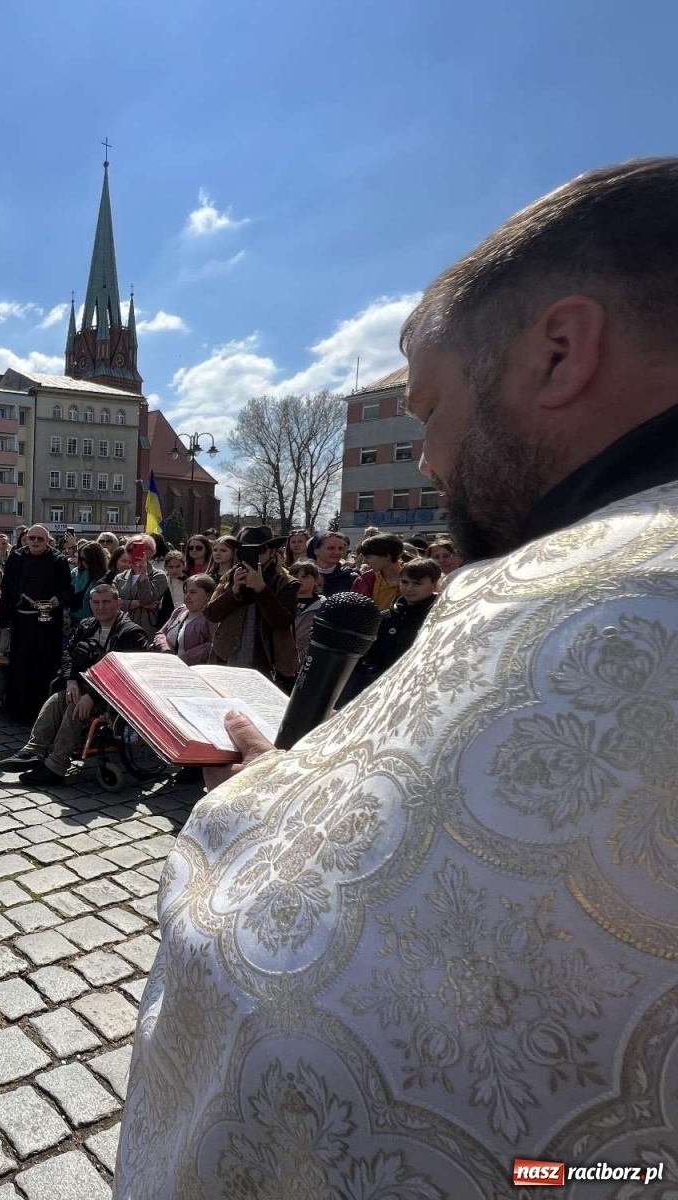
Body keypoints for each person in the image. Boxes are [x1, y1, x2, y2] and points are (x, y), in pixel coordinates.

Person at [116, 158, 678, 1197]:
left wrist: (247, 817)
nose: (424, 461)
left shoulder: (572, 599)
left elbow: (269, 991)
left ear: (558, 352)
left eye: (425, 412)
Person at [0, 583, 147, 786]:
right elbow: (69, 654)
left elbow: (121, 673)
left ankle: (56, 767)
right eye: (96, 602)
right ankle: (34, 751)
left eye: (106, 602)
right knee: (56, 700)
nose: (100, 607)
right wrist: (71, 680)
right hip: (84, 685)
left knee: (74, 709)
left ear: (118, 603)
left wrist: (92, 696)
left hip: (114, 695)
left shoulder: (132, 634)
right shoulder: (87, 625)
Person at [339, 555, 443, 706]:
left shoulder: (439, 617)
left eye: (418, 583)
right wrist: (377, 676)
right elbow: (372, 655)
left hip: (421, 692)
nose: (409, 588)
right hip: (383, 688)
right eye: (404, 582)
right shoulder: (386, 617)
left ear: (435, 585)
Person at [205, 525, 300, 688]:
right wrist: (234, 590)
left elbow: (282, 622)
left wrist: (261, 589)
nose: (255, 555)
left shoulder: (286, 582)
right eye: (246, 550)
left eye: (261, 550)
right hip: (228, 663)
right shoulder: (230, 577)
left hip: (267, 666)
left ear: (272, 551)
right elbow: (211, 614)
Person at [0, 524, 76, 724]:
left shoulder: (57, 560)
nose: (34, 542)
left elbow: (67, 589)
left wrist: (57, 600)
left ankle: (44, 713)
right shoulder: (17, 558)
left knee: (44, 665)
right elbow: (7, 587)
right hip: (22, 621)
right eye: (31, 538)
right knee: (21, 665)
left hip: (47, 625)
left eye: (39, 539)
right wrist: (4, 615)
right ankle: (18, 711)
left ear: (48, 540)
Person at [152, 572, 216, 664]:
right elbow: (161, 634)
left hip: (195, 670)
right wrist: (167, 651)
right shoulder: (180, 610)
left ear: (208, 596)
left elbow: (212, 645)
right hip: (169, 665)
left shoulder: (212, 618)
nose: (187, 596)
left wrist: (182, 658)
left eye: (193, 592)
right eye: (185, 592)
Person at [113, 534, 170, 638]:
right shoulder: (120, 577)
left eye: (140, 548)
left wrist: (143, 574)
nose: (134, 553)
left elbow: (147, 599)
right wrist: (138, 603)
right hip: (122, 627)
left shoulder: (159, 576)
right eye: (130, 550)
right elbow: (114, 603)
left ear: (151, 551)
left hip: (147, 628)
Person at [351, 530, 405, 610]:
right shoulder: (365, 581)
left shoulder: (416, 575)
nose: (364, 561)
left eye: (368, 557)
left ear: (387, 556)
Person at [289, 557, 324, 660]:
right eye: (295, 576)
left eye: (304, 576)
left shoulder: (322, 606)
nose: (299, 579)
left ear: (316, 580)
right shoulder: (283, 601)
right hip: (283, 657)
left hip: (307, 658)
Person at [69, 539, 111, 622]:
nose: (82, 562)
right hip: (72, 621)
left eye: (85, 559)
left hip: (94, 622)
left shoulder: (106, 577)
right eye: (80, 558)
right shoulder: (75, 573)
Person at [314, 529, 359, 594]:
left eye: (340, 548)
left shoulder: (351, 577)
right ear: (316, 551)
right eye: (331, 548)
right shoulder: (303, 574)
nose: (337, 552)